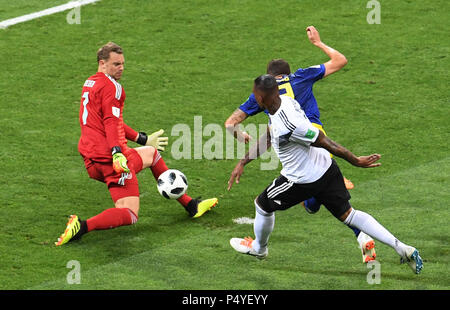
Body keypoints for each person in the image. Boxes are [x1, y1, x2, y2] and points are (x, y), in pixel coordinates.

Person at [229, 75, 423, 274]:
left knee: (262, 204)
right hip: (326, 167)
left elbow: (325, 141)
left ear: (261, 99)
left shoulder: (289, 124)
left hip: (301, 179)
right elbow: (270, 135)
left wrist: (356, 161)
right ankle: (402, 248)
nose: (253, 96)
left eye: (255, 93)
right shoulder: (284, 102)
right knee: (349, 215)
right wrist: (244, 161)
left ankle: (259, 250)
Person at [225, 26, 376, 263]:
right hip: (320, 141)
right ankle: (361, 235)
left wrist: (239, 134)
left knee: (306, 198)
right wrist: (318, 43)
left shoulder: (264, 95)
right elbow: (340, 60)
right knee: (321, 201)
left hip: (295, 145)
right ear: (287, 73)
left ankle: (259, 246)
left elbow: (230, 123)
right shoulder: (302, 76)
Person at [55, 42, 218, 246]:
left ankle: (191, 205)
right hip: (110, 159)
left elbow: (109, 119)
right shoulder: (113, 88)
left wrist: (142, 139)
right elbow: (111, 122)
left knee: (151, 153)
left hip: (90, 157)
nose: (121, 68)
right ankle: (82, 226)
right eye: (116, 64)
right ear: (102, 63)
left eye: (123, 63)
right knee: (130, 213)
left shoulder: (90, 82)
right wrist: (117, 153)